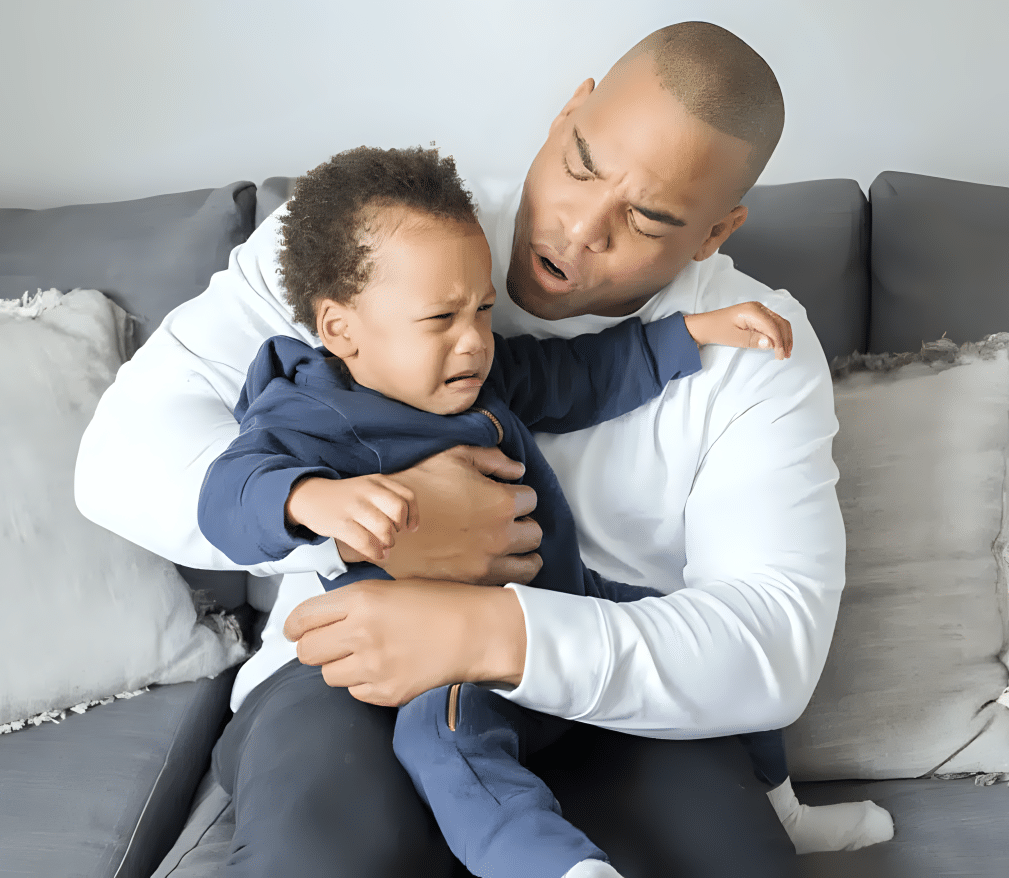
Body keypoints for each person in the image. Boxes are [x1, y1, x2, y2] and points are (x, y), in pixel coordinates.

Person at [75, 21, 893, 877]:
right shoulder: (368, 244)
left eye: (647, 218)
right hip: (348, 657)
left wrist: (487, 627)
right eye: (582, 164)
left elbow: (772, 638)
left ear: (716, 233)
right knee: (323, 854)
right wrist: (372, 527)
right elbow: (119, 463)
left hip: (629, 673)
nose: (580, 231)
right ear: (568, 110)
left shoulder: (753, 339)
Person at [196, 144, 796, 878]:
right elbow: (228, 494)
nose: (475, 340)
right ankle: (557, 866)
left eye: (481, 308)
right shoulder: (311, 412)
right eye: (441, 317)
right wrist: (314, 500)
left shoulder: (484, 373)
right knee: (446, 739)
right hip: (430, 660)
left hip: (562, 606)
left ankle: (783, 799)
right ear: (341, 329)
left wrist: (691, 335)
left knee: (708, 653)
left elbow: (582, 375)